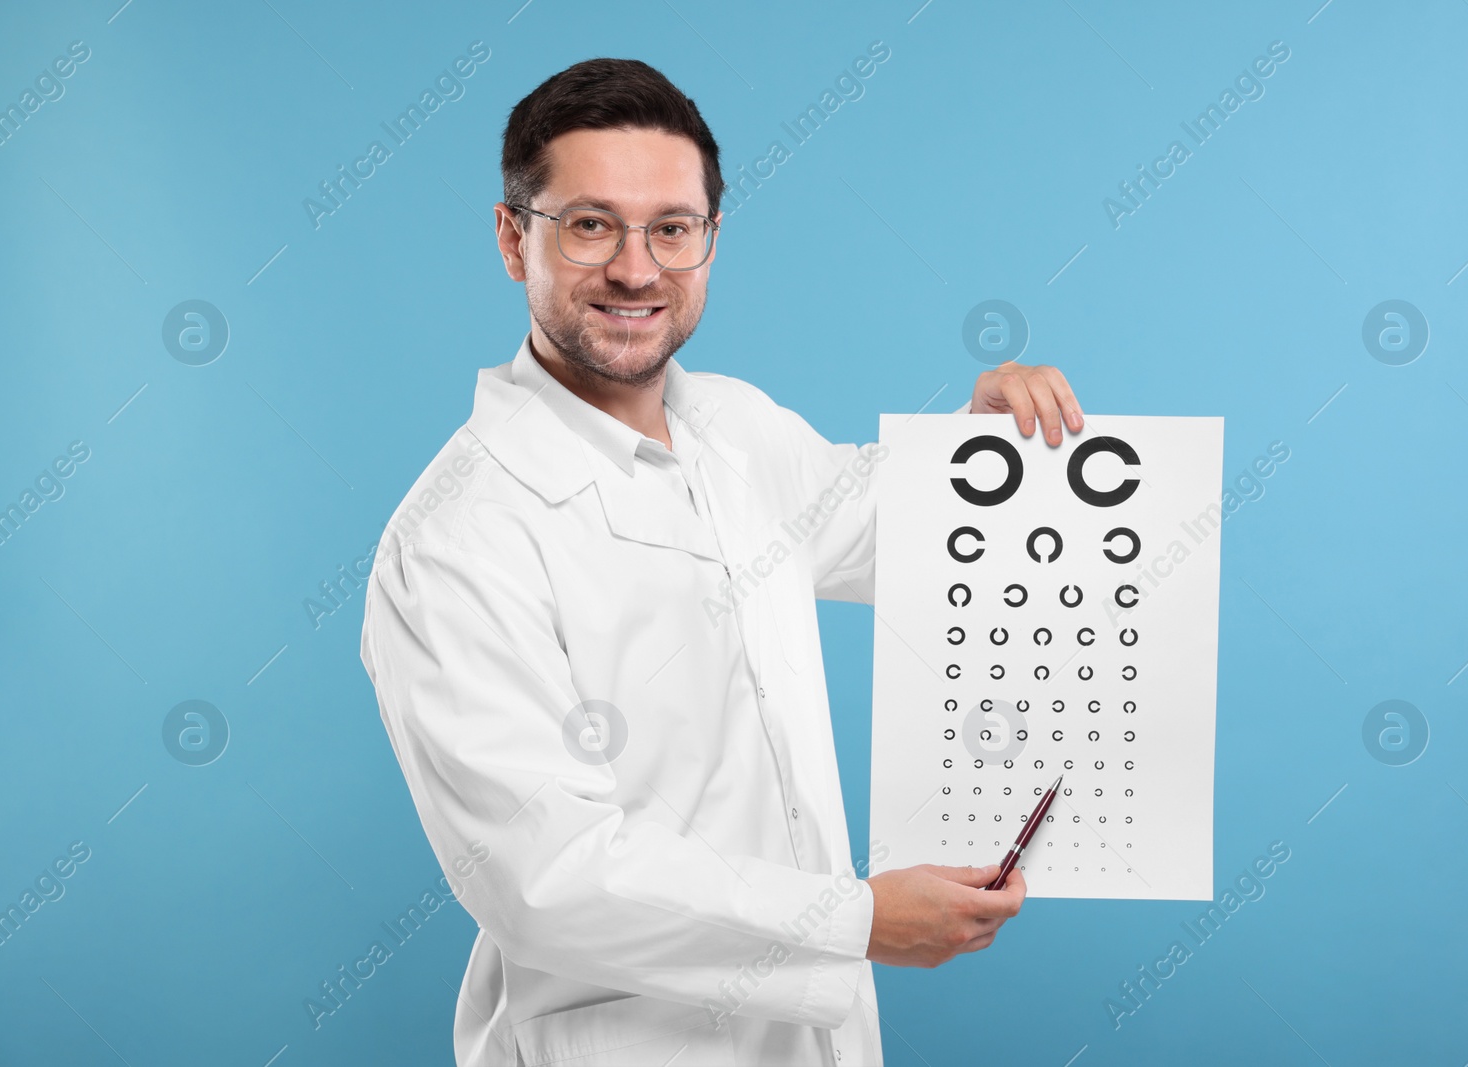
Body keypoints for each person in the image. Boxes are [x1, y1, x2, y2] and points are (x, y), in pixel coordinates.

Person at [359, 57, 1086, 1067]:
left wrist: (988, 448)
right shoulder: (454, 537)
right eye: (588, 223)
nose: (635, 267)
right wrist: (854, 919)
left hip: (816, 1039)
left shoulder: (738, 428)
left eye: (671, 226)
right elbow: (549, 875)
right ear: (509, 235)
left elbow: (897, 531)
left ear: (708, 238)